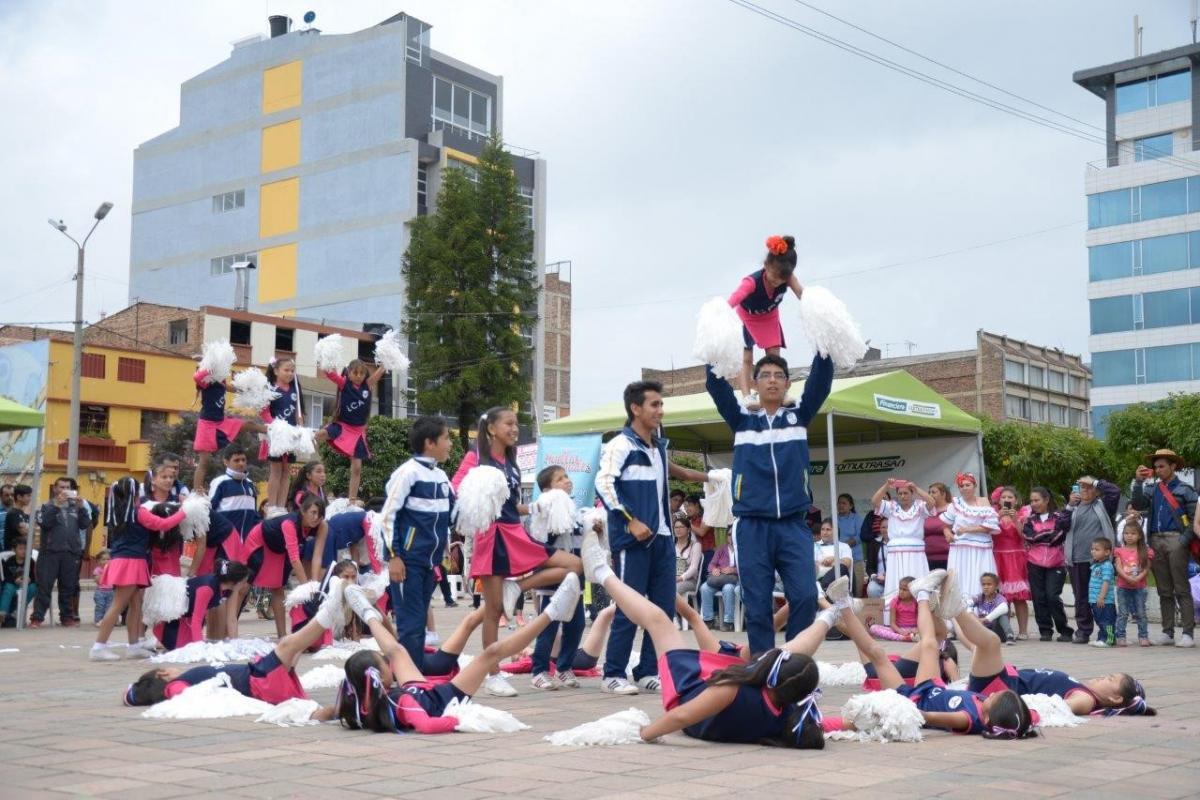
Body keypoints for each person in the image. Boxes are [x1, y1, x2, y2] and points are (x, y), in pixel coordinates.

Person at [579, 526, 831, 748]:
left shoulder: (733, 689)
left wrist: (645, 733)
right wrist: (847, 723)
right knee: (679, 620)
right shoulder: (786, 714)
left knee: (659, 621)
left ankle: (601, 572)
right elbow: (824, 723)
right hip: (709, 695)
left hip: (684, 693)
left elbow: (680, 716)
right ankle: (831, 613)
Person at [704, 351, 833, 657]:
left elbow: (821, 379)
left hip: (793, 524)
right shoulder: (742, 420)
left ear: (788, 383)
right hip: (752, 525)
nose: (772, 381)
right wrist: (715, 348)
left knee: (805, 596)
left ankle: (794, 662)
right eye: (765, 375)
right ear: (755, 383)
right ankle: (762, 666)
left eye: (778, 375)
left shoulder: (799, 416)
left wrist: (824, 345)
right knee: (758, 604)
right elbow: (716, 385)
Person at [335, 574, 582, 733]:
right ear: (377, 677)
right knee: (490, 653)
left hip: (418, 690)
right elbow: (427, 725)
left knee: (397, 651)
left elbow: (328, 712)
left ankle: (366, 612)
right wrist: (456, 721)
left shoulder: (360, 703)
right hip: (444, 697)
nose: (388, 664)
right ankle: (552, 613)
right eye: (384, 663)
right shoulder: (401, 703)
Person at [453, 407, 583, 698]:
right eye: (509, 424)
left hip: (516, 532)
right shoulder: (476, 457)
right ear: (491, 428)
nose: (515, 429)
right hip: (492, 535)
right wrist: (480, 493)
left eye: (516, 423)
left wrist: (537, 506)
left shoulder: (511, 462)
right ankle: (492, 675)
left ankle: (517, 587)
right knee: (493, 610)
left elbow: (511, 506)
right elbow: (456, 490)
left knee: (574, 565)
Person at [595, 382, 707, 696]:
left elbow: (683, 474)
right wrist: (630, 521)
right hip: (633, 542)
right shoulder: (620, 445)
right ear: (636, 408)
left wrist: (718, 477)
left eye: (661, 404)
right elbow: (604, 484)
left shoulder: (657, 447)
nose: (660, 411)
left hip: (663, 539)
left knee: (662, 609)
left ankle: (647, 670)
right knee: (629, 608)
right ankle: (613, 673)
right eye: (654, 405)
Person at [838, 568, 1036, 739]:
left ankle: (846, 604)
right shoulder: (985, 709)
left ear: (988, 717)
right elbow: (1028, 717)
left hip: (912, 699)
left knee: (879, 653)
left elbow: (928, 717)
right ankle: (926, 595)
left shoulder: (969, 719)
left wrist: (892, 713)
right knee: (930, 643)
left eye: (994, 697)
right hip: (932, 688)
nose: (991, 693)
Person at [123, 577, 346, 720]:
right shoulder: (175, 685)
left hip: (257, 682)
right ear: (163, 674)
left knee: (293, 650)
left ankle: (339, 711)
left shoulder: (184, 680)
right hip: (254, 680)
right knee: (288, 645)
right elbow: (181, 695)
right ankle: (328, 610)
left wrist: (135, 693)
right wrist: (141, 694)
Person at [378, 416, 454, 671]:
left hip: (430, 562)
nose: (450, 444)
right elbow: (387, 516)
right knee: (410, 623)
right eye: (446, 438)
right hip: (407, 562)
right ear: (429, 443)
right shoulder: (407, 473)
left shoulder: (441, 476)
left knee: (420, 620)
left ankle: (416, 671)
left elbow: (453, 513)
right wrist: (394, 556)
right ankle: (408, 678)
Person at [92, 478, 186, 661]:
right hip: (130, 562)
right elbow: (163, 524)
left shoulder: (119, 512)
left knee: (136, 605)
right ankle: (98, 647)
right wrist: (184, 511)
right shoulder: (138, 513)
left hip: (127, 561)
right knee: (118, 605)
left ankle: (134, 646)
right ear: (134, 493)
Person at [529, 465, 592, 691]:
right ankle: (539, 671)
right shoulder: (543, 510)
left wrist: (595, 528)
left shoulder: (575, 510)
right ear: (547, 489)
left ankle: (564, 667)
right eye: (560, 479)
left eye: (567, 476)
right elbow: (541, 541)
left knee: (576, 624)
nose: (567, 481)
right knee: (548, 625)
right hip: (553, 578)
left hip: (575, 577)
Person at [1130, 449, 1197, 648]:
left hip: (1176, 539)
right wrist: (1138, 482)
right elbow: (1138, 504)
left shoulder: (1186, 490)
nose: (1158, 470)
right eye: (1156, 467)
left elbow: (1195, 520)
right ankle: (1167, 632)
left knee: (1181, 588)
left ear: (1173, 466)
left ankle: (1188, 633)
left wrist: (1183, 541)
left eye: (1162, 466)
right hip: (1155, 540)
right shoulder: (1152, 489)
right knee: (1164, 589)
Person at [727, 234, 805, 401]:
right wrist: (720, 313)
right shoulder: (751, 282)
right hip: (747, 317)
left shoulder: (788, 278)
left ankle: (779, 392)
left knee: (774, 357)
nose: (777, 282)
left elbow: (802, 294)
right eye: (774, 277)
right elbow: (734, 299)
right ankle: (747, 396)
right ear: (766, 266)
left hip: (769, 316)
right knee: (746, 357)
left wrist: (817, 307)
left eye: (781, 280)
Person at [320, 359, 387, 503]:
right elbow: (330, 374)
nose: (359, 376)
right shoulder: (344, 384)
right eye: (355, 373)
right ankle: (302, 440)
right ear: (348, 373)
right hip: (343, 426)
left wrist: (386, 362)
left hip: (357, 432)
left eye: (362, 373)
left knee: (357, 468)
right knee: (321, 434)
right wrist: (325, 360)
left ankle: (352, 500)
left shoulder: (367, 385)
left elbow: (380, 371)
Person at [1062, 475, 1119, 644]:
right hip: (1077, 559)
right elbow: (1061, 525)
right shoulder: (1073, 508)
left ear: (1096, 490)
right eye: (1082, 487)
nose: (1085, 490)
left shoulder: (1103, 505)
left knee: (1102, 598)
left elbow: (1115, 491)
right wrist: (1069, 506)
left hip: (1099, 562)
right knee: (1081, 597)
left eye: (1089, 487)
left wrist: (1094, 482)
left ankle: (1106, 633)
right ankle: (1083, 631)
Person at [191, 363, 265, 491]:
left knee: (248, 424)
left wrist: (249, 389)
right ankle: (197, 492)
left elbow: (233, 388)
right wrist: (209, 364)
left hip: (221, 421)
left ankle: (272, 430)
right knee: (204, 461)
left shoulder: (221, 382)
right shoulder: (206, 382)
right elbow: (197, 377)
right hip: (207, 425)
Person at [29, 477, 89, 628]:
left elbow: (85, 525)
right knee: (44, 586)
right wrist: (56, 505)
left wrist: (82, 508)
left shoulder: (75, 507)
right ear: (54, 489)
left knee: (68, 587)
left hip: (71, 552)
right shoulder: (45, 506)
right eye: (61, 487)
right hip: (50, 552)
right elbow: (44, 523)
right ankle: (37, 618)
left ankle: (67, 617)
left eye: (67, 487)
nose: (64, 490)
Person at [871, 478, 934, 616]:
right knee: (895, 583)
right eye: (900, 493)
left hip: (916, 553)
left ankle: (921, 613)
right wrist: (886, 485)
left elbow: (932, 502)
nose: (903, 496)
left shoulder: (919, 507)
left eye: (906, 493)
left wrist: (916, 489)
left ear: (912, 494)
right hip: (896, 553)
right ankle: (894, 616)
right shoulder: (892, 508)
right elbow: (875, 501)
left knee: (918, 582)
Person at [155, 561, 250, 651]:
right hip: (173, 620)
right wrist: (199, 648)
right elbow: (197, 619)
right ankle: (159, 640)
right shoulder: (207, 587)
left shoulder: (230, 590)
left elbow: (232, 619)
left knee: (190, 646)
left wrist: (235, 644)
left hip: (188, 619)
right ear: (235, 582)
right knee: (182, 649)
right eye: (244, 582)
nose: (245, 585)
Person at [940, 473, 999, 610]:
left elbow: (990, 526)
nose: (965, 488)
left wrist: (968, 529)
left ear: (974, 486)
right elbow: (945, 524)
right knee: (960, 578)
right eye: (962, 486)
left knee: (980, 576)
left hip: (980, 548)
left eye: (968, 485)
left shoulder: (983, 501)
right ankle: (959, 612)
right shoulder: (955, 504)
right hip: (960, 549)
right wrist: (947, 533)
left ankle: (981, 610)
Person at [1021, 487, 1073, 642]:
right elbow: (1029, 537)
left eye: (1037, 500)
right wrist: (1048, 535)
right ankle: (1045, 630)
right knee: (1038, 598)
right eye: (1031, 501)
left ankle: (1064, 630)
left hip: (1056, 563)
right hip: (1034, 563)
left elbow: (1058, 536)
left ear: (1046, 500)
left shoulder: (1058, 517)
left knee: (1052, 596)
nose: (1034, 503)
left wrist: (1040, 536)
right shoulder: (1029, 520)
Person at [260, 356, 303, 510]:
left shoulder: (295, 389)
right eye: (286, 370)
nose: (290, 373)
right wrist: (276, 427)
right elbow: (264, 412)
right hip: (277, 434)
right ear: (276, 371)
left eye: (292, 370)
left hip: (291, 435)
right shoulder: (270, 389)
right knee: (276, 469)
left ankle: (281, 505)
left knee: (287, 471)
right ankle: (272, 505)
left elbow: (298, 413)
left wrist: (300, 428)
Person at [990, 486, 1031, 639]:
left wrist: (1015, 520)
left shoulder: (1022, 514)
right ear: (999, 500)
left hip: (1016, 558)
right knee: (1002, 598)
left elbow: (1024, 536)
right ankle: (1006, 631)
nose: (1006, 500)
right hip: (998, 558)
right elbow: (988, 532)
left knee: (1019, 598)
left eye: (1010, 497)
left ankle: (1023, 631)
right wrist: (997, 517)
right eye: (1003, 497)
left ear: (1016, 500)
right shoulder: (993, 514)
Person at [207, 444, 260, 559]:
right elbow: (210, 510)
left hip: (247, 543)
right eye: (236, 460)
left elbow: (254, 514)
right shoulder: (220, 482)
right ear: (226, 462)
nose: (241, 463)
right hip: (225, 542)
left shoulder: (250, 484)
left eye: (243, 460)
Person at [1113, 521, 1152, 647]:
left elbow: (1146, 568)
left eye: (1133, 533)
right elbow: (1118, 567)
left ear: (1139, 536)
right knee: (1123, 613)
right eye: (1126, 533)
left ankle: (1143, 636)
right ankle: (1120, 636)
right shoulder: (1119, 551)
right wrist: (1127, 578)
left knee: (1141, 613)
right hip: (1123, 587)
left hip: (1140, 588)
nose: (1129, 536)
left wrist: (1138, 578)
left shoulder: (1145, 551)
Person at [699, 539, 739, 632]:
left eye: (732, 534)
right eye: (728, 534)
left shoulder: (742, 549)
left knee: (728, 588)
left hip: (733, 579)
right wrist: (714, 569)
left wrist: (733, 570)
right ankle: (708, 620)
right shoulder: (721, 549)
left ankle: (728, 622)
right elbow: (711, 565)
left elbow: (745, 567)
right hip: (719, 578)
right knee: (704, 588)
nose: (730, 537)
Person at [1088, 537, 1117, 648]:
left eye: (1097, 549)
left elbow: (1106, 582)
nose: (1093, 551)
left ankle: (1109, 640)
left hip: (1105, 601)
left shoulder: (1107, 566)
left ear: (1107, 552)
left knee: (1106, 620)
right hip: (1095, 600)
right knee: (1100, 621)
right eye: (1092, 549)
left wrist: (1101, 597)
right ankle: (1101, 638)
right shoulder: (1096, 565)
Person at [0, 540, 36, 626]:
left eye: (25, 549)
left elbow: (34, 576)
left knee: (34, 587)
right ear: (14, 550)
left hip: (26, 586)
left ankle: (18, 610)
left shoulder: (30, 561)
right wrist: (15, 580)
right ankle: (2, 613)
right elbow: (5, 577)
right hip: (13, 585)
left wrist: (30, 579)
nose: (23, 551)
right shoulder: (9, 561)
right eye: (20, 548)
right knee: (8, 588)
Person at [869, 576, 918, 641]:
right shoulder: (895, 601)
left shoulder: (917, 602)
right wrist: (900, 631)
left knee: (928, 629)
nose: (901, 592)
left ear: (912, 591)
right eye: (900, 589)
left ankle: (909, 637)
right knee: (873, 628)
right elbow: (892, 624)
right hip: (898, 630)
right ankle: (902, 638)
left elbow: (920, 621)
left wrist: (916, 630)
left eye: (905, 590)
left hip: (914, 630)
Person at [835, 494, 864, 596]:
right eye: (839, 503)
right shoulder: (833, 518)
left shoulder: (856, 518)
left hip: (855, 559)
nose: (841, 505)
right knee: (838, 589)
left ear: (851, 506)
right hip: (837, 559)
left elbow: (861, 536)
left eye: (844, 503)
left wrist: (846, 545)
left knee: (857, 588)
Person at [973, 572, 1013, 644]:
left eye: (989, 584)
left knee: (1002, 615)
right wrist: (971, 614)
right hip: (984, 630)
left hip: (997, 631)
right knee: (966, 613)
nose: (986, 587)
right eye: (983, 584)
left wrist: (986, 619)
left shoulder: (999, 598)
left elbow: (1004, 608)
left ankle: (1009, 635)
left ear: (996, 586)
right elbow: (966, 604)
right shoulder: (979, 597)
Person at [814, 519, 852, 591]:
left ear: (835, 531)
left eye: (828, 529)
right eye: (822, 529)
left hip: (838, 580)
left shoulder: (844, 546)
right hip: (818, 576)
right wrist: (825, 562)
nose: (825, 532)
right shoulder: (814, 546)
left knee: (841, 567)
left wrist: (833, 559)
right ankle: (823, 587)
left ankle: (823, 587)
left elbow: (847, 563)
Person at [924, 482, 952, 571]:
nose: (930, 495)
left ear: (943, 494)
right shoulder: (926, 511)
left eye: (933, 492)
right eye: (929, 492)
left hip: (948, 556)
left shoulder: (952, 509)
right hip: (928, 557)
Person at [673, 516, 702, 599]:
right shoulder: (671, 546)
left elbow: (694, 568)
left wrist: (681, 578)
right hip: (672, 578)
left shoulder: (695, 545)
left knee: (674, 589)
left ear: (688, 530)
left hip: (689, 580)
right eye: (676, 527)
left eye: (681, 527)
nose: (678, 530)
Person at [92, 549, 113, 626]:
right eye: (103, 559)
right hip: (100, 592)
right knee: (100, 606)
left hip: (111, 591)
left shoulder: (113, 570)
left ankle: (107, 620)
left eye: (108, 559)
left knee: (109, 607)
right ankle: (98, 620)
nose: (106, 561)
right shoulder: (97, 570)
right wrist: (105, 571)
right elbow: (98, 581)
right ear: (98, 561)